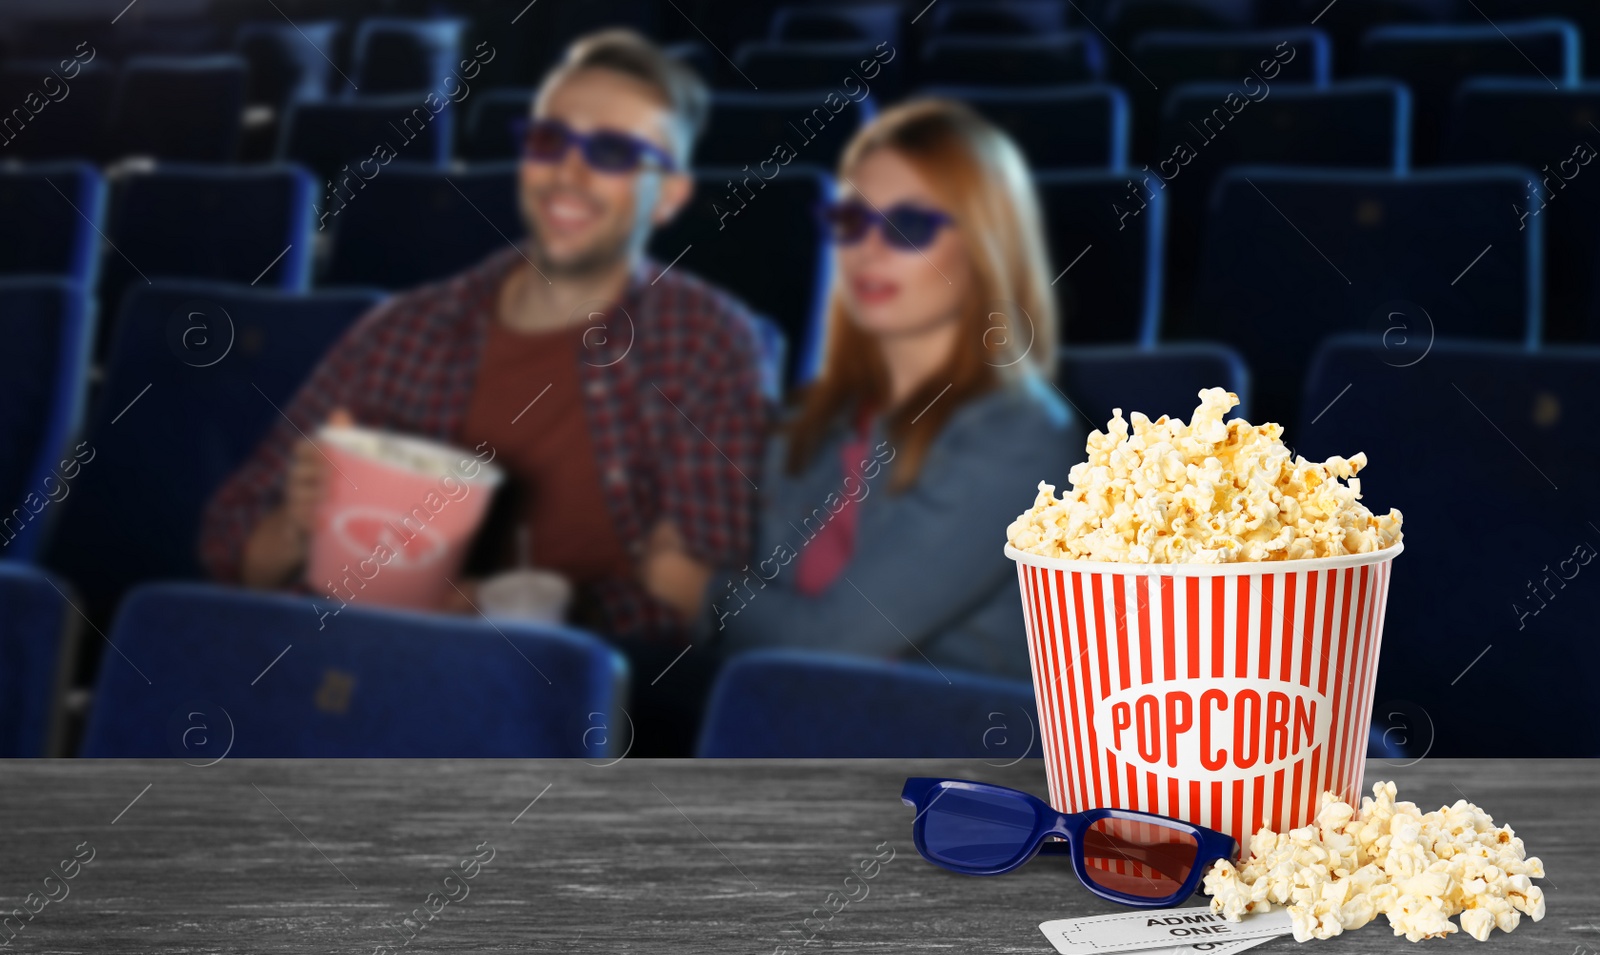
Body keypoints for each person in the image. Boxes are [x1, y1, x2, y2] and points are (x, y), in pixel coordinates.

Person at [200, 30, 767, 653]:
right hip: (345, 665)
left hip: (543, 707)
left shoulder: (709, 344)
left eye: (610, 152)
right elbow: (232, 544)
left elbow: (699, 606)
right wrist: (296, 527)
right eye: (550, 141)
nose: (567, 174)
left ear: (670, 197)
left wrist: (511, 613)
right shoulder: (403, 332)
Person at [644, 98, 1077, 681]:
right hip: (789, 723)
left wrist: (694, 590)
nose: (867, 251)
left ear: (984, 247)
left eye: (909, 227)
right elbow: (764, 592)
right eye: (851, 223)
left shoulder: (1022, 434)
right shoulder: (821, 415)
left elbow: (834, 644)